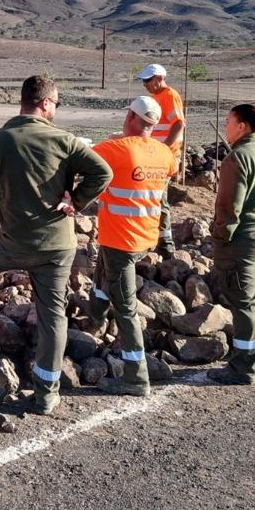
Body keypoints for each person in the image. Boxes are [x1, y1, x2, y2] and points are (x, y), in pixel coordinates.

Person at [0, 75, 112, 415]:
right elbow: (102, 172)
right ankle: (47, 393)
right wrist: (76, 200)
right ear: (45, 103)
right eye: (56, 103)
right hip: (58, 247)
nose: (56, 109)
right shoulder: (65, 141)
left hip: (12, 243)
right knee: (52, 314)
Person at [88, 96, 178, 396]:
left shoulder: (115, 149)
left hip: (121, 241)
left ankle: (136, 377)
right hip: (145, 237)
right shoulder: (163, 153)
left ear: (130, 117)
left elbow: (84, 158)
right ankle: (96, 315)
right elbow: (170, 169)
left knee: (126, 309)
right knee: (104, 264)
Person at [207, 104, 255, 386]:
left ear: (242, 126)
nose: (225, 127)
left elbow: (229, 206)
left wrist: (219, 237)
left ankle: (242, 366)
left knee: (243, 303)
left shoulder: (237, 158)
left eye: (228, 122)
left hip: (245, 240)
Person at [137, 63, 186, 257]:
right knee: (153, 197)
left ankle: (165, 244)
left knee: (158, 198)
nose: (145, 84)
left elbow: (179, 123)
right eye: (143, 81)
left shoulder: (169, 95)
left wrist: (165, 148)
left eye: (148, 80)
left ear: (159, 78)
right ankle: (155, 239)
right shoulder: (156, 97)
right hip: (155, 156)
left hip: (164, 156)